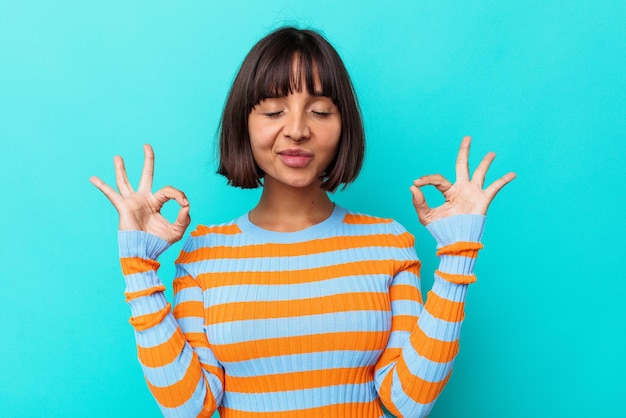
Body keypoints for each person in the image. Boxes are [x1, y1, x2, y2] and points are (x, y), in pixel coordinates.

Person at [90, 27, 515, 418]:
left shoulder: (388, 243)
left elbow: (408, 400)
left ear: (344, 125)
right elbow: (188, 408)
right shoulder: (204, 255)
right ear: (244, 125)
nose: (296, 130)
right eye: (274, 111)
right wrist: (139, 269)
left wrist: (458, 255)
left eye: (320, 111)